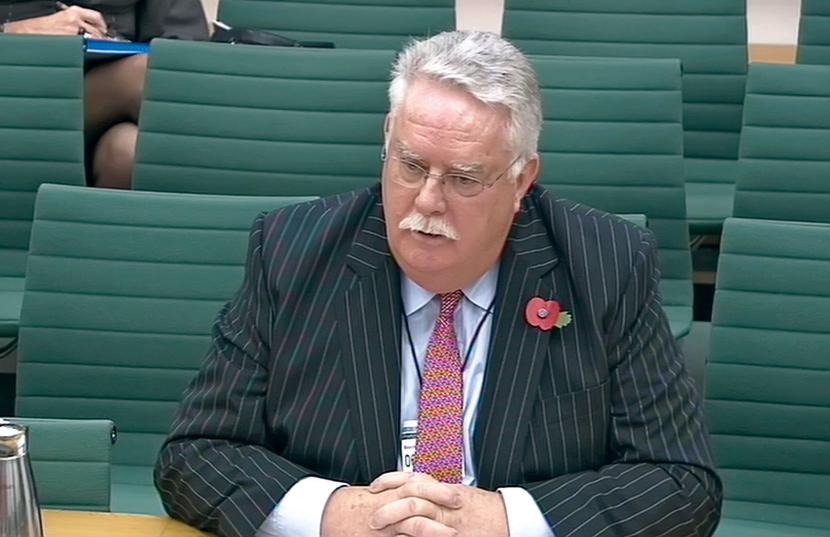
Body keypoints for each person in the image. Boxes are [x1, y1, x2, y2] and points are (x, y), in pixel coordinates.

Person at [155, 31, 722, 537]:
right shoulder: (292, 250)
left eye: (464, 179)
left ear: (521, 179)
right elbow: (195, 454)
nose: (426, 202)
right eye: (410, 166)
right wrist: (333, 515)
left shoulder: (607, 265)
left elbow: (681, 483)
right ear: (387, 138)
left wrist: (505, 522)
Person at [0, 0, 208, 188]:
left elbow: (182, 44)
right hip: (12, 79)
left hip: (99, 90)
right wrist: (12, 30)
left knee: (127, 152)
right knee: (144, 77)